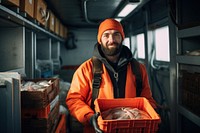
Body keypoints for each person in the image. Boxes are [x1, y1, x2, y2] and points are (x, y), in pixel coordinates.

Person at [66, 18, 157, 133]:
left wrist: (151, 112)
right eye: (106, 35)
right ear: (100, 40)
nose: (111, 39)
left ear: (122, 37)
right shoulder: (86, 69)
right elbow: (74, 99)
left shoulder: (138, 68)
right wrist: (89, 117)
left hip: (133, 129)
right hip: (98, 130)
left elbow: (147, 99)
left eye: (116, 34)